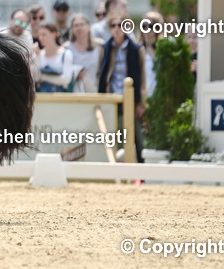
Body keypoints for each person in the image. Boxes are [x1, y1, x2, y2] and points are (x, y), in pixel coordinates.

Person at [98, 12, 146, 162]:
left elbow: (143, 78)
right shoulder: (105, 48)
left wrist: (141, 102)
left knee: (138, 138)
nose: (117, 29)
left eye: (121, 25)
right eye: (114, 25)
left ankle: (142, 175)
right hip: (112, 100)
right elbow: (100, 75)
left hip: (132, 100)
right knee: (116, 138)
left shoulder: (136, 49)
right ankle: (118, 172)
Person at [65, 12, 100, 93]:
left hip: (95, 91)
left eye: (82, 24)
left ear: (89, 26)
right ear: (72, 29)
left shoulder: (99, 47)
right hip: (74, 92)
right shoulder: (66, 48)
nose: (79, 28)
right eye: (76, 25)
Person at [35, 23, 75, 93]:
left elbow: (66, 79)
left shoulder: (66, 54)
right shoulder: (38, 54)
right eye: (39, 35)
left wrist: (44, 77)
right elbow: (36, 77)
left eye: (44, 34)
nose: (40, 38)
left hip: (60, 97)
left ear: (54, 34)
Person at [140, 10, 165, 97]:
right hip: (143, 98)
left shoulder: (163, 49)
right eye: (144, 26)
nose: (147, 29)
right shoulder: (138, 49)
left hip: (160, 97)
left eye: (150, 26)